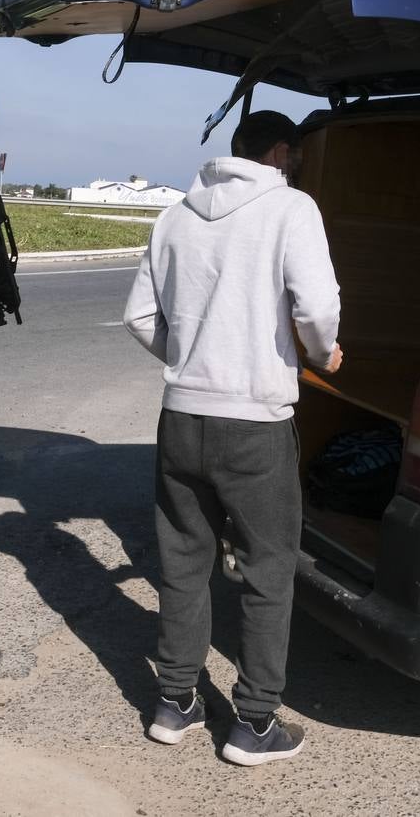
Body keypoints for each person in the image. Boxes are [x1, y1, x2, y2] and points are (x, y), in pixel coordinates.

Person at [123, 110, 343, 766]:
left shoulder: (174, 215)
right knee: (267, 572)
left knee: (184, 565)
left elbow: (138, 315)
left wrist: (190, 357)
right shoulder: (291, 209)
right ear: (280, 151)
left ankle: (175, 704)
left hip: (182, 414)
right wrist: (323, 352)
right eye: (296, 153)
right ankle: (253, 724)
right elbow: (318, 306)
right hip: (255, 422)